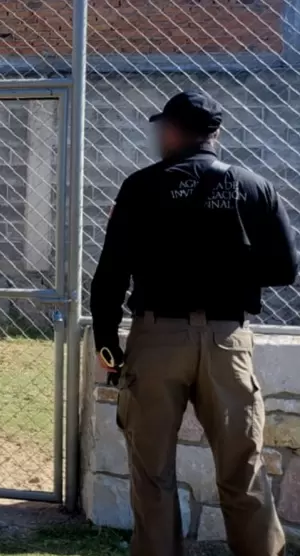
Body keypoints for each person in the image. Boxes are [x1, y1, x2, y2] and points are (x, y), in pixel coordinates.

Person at [90, 90, 299, 556]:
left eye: (160, 128)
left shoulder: (141, 186)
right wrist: (229, 266)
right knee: (242, 466)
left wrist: (108, 345)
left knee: (151, 471)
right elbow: (286, 270)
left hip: (157, 337)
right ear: (215, 135)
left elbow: (110, 274)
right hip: (228, 340)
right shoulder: (255, 187)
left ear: (172, 131)